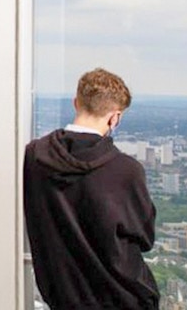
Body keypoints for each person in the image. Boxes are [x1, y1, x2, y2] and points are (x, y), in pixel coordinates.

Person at [23, 68, 158, 310]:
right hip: (121, 298)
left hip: (62, 296)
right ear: (114, 118)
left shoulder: (35, 157)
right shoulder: (126, 170)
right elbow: (145, 238)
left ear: (76, 103)